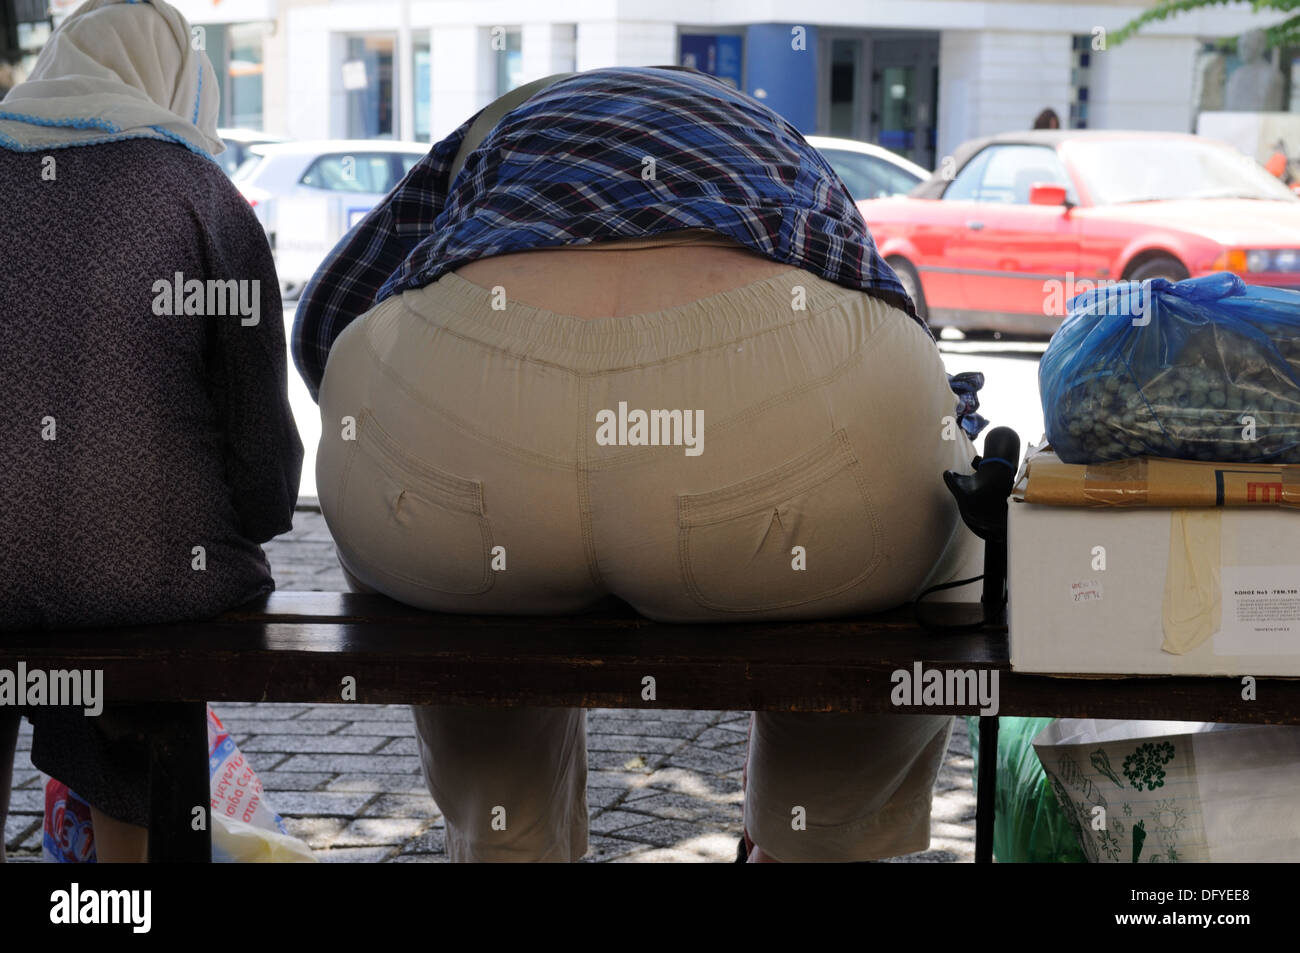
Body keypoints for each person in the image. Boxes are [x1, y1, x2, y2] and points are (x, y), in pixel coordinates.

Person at [295, 66, 985, 863]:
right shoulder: (772, 144)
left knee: (450, 596)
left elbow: (328, 315)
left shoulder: (491, 135)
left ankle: (508, 836)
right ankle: (816, 836)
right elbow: (874, 293)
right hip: (775, 425)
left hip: (467, 437)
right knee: (947, 514)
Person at [0, 0, 302, 862]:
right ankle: (123, 874)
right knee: (124, 588)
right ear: (173, 79)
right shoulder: (201, 191)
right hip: (154, 576)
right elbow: (261, 452)